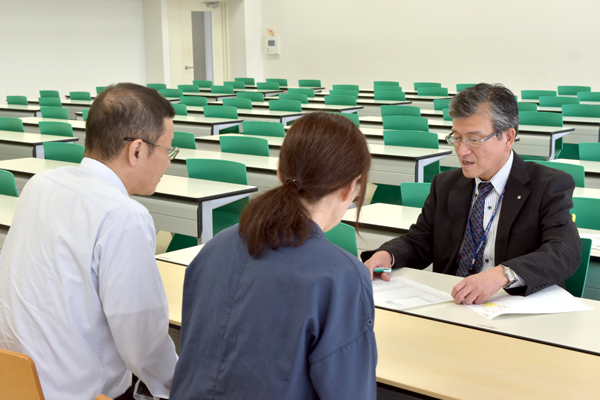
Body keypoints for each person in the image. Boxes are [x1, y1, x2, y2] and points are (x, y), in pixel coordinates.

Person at [171, 113, 377, 400]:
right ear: (350, 188)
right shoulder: (341, 275)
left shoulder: (216, 246)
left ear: (281, 175)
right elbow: (349, 392)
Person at [0, 83, 179, 400]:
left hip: (14, 380)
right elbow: (143, 344)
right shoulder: (124, 216)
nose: (168, 162)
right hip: (82, 394)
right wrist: (181, 386)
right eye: (168, 149)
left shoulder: (40, 184)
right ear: (136, 150)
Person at [362, 83, 581, 305]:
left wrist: (503, 274)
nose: (462, 150)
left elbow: (564, 251)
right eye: (456, 137)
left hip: (512, 304)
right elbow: (421, 240)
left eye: (474, 140)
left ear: (507, 137)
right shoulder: (445, 184)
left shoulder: (548, 185)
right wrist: (387, 255)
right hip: (452, 303)